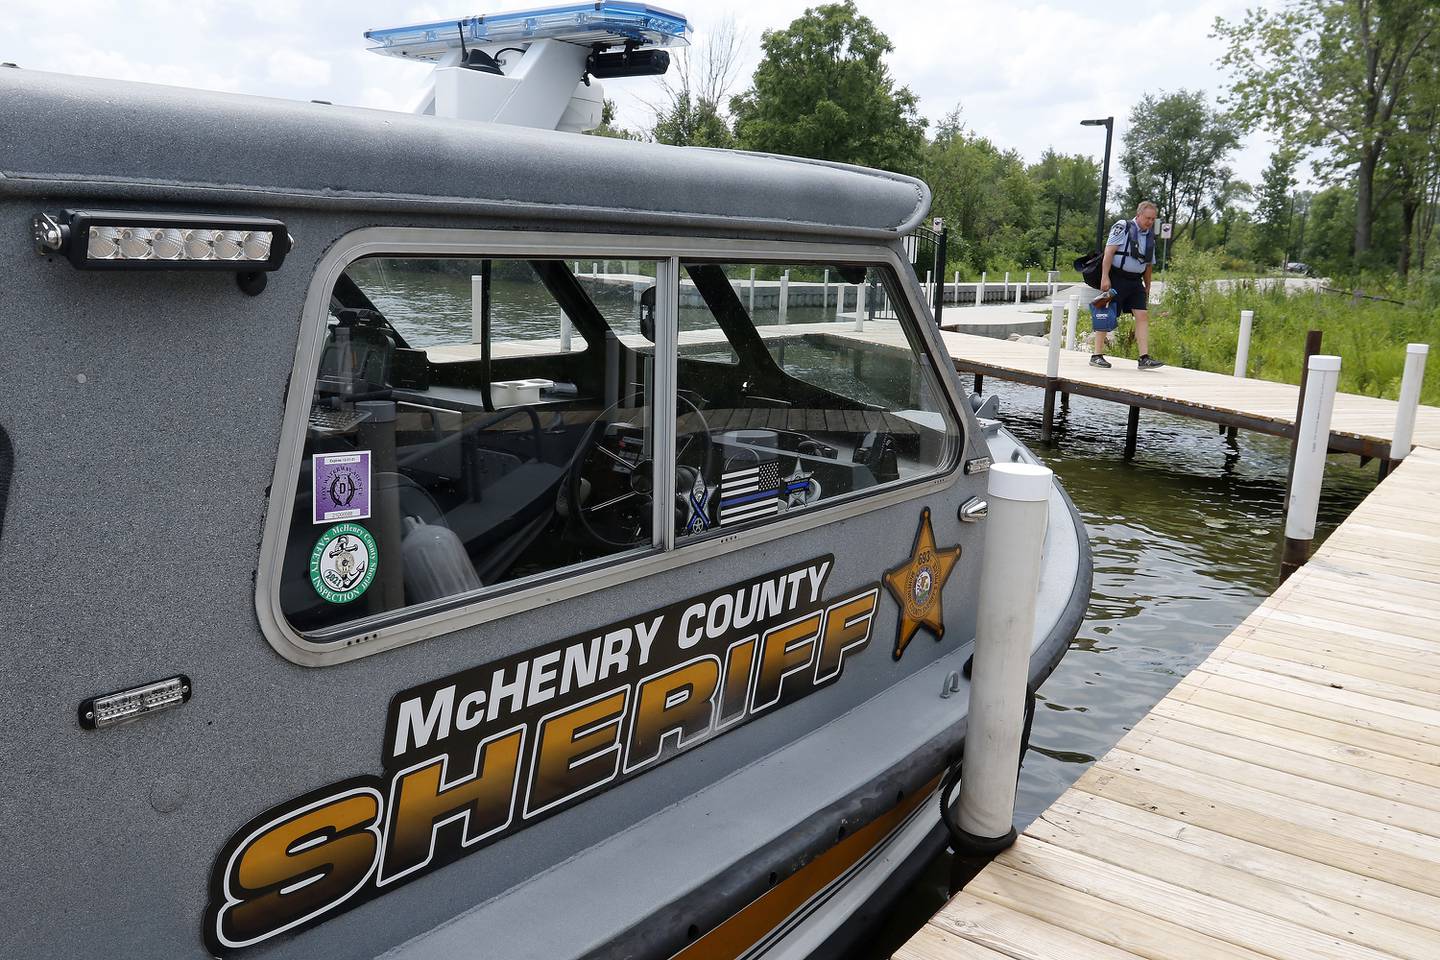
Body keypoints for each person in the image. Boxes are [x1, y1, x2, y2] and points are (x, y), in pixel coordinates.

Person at [1092, 201, 1164, 370]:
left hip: (1135, 281)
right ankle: (1096, 355)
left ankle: (1144, 358)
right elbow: (1109, 252)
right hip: (1117, 277)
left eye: (1153, 219)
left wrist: (1147, 286)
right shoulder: (1122, 226)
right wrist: (1105, 278)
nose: (1150, 222)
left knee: (1142, 315)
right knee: (1107, 314)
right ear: (1138, 215)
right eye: (1147, 218)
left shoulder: (1150, 236)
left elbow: (1148, 265)